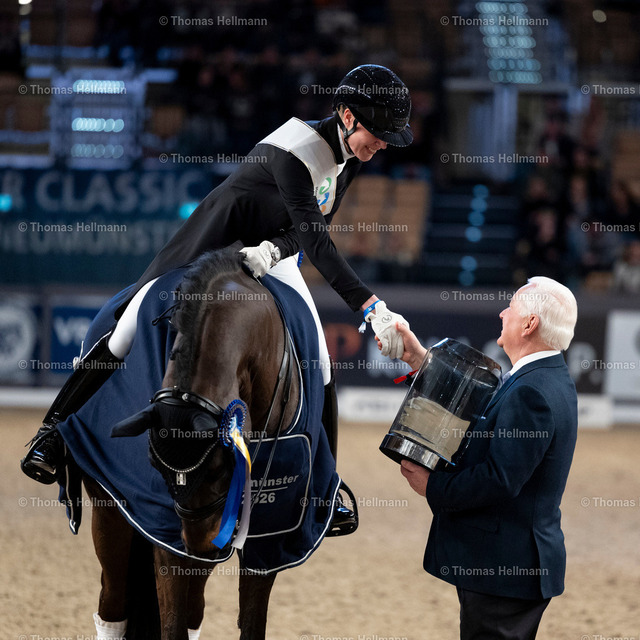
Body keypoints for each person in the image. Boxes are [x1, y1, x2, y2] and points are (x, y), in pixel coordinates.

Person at [21, 65, 412, 529]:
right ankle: (53, 433)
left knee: (322, 361)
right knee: (127, 325)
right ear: (347, 116)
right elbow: (320, 244)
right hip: (218, 237)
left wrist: (273, 250)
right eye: (378, 135)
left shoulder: (349, 157)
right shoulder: (296, 149)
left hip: (269, 252)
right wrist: (372, 307)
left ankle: (323, 488)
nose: (383, 145)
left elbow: (311, 229)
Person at [394, 276, 578, 640]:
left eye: (511, 307)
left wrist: (434, 486)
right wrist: (421, 360)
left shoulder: (531, 390)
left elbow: (499, 478)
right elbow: (483, 409)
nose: (502, 313)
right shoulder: (542, 376)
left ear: (530, 324)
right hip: (508, 567)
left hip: (504, 570)